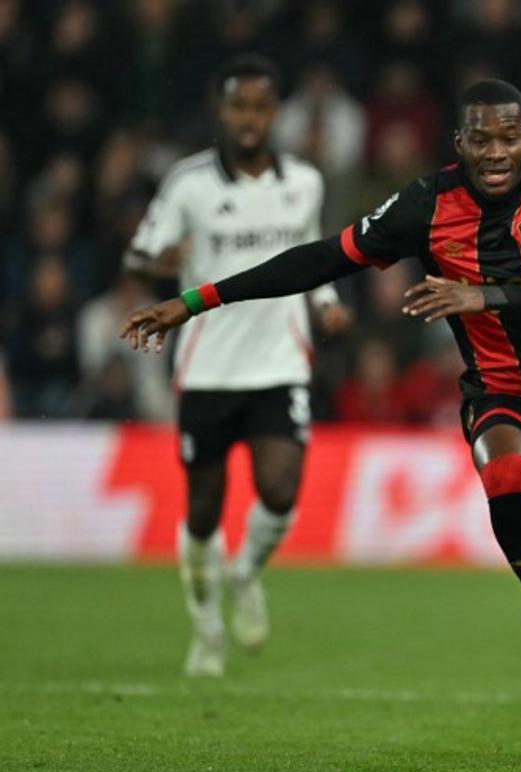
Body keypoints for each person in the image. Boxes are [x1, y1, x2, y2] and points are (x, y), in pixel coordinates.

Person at [120, 79, 521, 759]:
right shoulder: (427, 203)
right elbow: (325, 257)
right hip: (499, 387)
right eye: (481, 139)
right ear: (459, 144)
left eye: (509, 137)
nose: (497, 152)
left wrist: (481, 295)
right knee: (501, 471)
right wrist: (198, 299)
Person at [123, 55, 352, 678]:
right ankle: (205, 630)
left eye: (259, 107)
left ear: (274, 113)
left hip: (279, 362)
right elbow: (140, 256)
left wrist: (327, 302)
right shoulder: (188, 183)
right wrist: (158, 266)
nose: (249, 119)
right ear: (221, 112)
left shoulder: (303, 181)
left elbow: (311, 255)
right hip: (207, 368)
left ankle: (246, 572)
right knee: (203, 509)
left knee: (280, 491)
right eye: (238, 107)